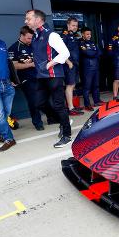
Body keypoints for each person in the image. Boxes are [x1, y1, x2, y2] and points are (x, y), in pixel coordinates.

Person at [25, 9, 71, 147]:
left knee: (58, 105)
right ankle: (64, 121)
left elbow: (65, 53)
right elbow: (42, 54)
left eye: (28, 18)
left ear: (38, 19)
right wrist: (31, 60)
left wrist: (50, 64)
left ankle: (66, 134)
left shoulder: (52, 35)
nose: (25, 21)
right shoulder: (35, 36)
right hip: (41, 76)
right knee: (39, 103)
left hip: (54, 76)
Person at [61, 17, 84, 116]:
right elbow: (59, 50)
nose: (75, 27)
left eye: (76, 26)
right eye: (73, 25)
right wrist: (68, 62)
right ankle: (70, 108)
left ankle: (72, 106)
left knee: (73, 85)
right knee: (70, 85)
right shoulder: (64, 36)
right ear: (68, 25)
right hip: (69, 65)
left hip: (75, 64)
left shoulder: (73, 36)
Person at [79, 27, 103, 111]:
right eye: (87, 34)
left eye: (90, 34)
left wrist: (93, 53)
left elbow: (100, 52)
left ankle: (97, 101)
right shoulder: (81, 43)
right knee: (87, 87)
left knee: (96, 85)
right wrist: (94, 53)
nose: (89, 36)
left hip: (95, 67)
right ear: (83, 34)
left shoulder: (93, 42)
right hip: (87, 68)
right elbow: (87, 53)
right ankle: (87, 104)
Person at [0, 39, 16, 151]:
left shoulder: (2, 43)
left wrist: (13, 78)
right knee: (0, 115)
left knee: (6, 113)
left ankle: (1, 133)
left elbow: (7, 62)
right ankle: (9, 138)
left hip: (7, 83)